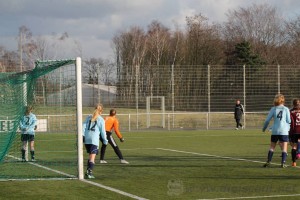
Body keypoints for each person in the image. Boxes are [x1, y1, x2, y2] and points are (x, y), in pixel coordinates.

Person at [262, 94, 291, 168]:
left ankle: (268, 161)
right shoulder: (286, 109)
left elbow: (267, 120)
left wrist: (264, 128)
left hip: (275, 131)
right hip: (284, 131)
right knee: (284, 148)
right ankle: (283, 163)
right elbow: (289, 120)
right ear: (283, 100)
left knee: (272, 147)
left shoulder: (273, 109)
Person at [82, 103, 108, 179]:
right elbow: (103, 132)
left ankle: (87, 171)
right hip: (94, 140)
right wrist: (105, 140)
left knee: (90, 156)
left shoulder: (88, 117)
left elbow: (83, 126)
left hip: (87, 139)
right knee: (92, 158)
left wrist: (82, 135)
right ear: (101, 111)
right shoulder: (101, 119)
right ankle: (89, 172)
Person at [289, 98, 300, 167]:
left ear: (293, 104)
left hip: (294, 130)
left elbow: (289, 122)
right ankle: (298, 154)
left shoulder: (290, 112)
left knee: (294, 146)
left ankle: (294, 162)